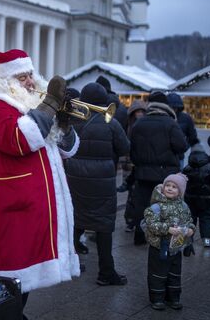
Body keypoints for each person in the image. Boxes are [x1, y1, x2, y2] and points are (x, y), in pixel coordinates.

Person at [0, 49, 80, 318]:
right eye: (22, 77)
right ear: (5, 80)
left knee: (24, 280)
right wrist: (51, 104)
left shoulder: (31, 105)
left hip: (32, 207)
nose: (31, 82)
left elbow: (67, 150)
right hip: (12, 206)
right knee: (9, 276)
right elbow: (21, 139)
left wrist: (64, 124)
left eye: (31, 75)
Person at [64, 82, 130, 286]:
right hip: (102, 180)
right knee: (103, 225)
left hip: (74, 177)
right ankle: (106, 272)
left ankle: (69, 264)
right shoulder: (110, 122)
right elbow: (125, 147)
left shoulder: (72, 120)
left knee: (75, 220)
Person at [129, 91, 188, 245]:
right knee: (165, 205)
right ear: (166, 106)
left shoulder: (139, 123)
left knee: (142, 204)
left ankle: (140, 235)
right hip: (165, 174)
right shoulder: (170, 123)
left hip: (142, 172)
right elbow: (181, 146)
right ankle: (162, 237)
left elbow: (132, 148)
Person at [143, 173, 195, 311]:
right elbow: (151, 224)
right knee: (157, 274)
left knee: (174, 274)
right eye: (168, 185)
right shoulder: (155, 207)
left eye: (174, 187)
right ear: (163, 187)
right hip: (159, 247)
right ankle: (157, 299)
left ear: (180, 191)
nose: (170, 188)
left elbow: (189, 221)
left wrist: (191, 229)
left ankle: (173, 298)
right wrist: (168, 229)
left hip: (176, 248)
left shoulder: (183, 206)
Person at [182, 149, 210, 247]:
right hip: (207, 199)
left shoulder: (187, 168)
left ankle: (188, 238)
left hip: (190, 199)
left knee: (190, 218)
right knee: (207, 218)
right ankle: (207, 240)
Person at [120, 100, 148, 232]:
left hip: (140, 164)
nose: (140, 114)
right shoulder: (129, 125)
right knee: (131, 194)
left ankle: (138, 221)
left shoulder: (146, 125)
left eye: (142, 111)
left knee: (138, 194)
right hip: (129, 163)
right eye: (138, 111)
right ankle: (130, 221)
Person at [167, 92, 200, 164]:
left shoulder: (186, 118)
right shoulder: (162, 117)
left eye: (175, 107)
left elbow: (192, 137)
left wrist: (184, 147)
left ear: (179, 107)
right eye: (171, 107)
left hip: (179, 156)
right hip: (163, 157)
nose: (173, 109)